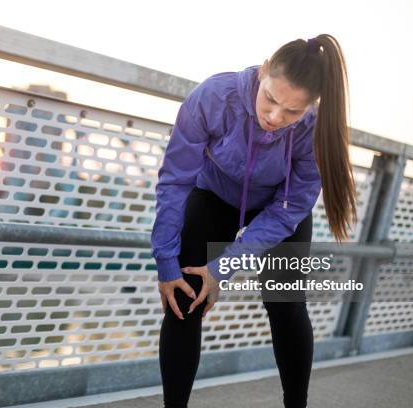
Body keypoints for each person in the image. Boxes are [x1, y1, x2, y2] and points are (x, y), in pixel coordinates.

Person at [151, 34, 358, 408]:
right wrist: (166, 262)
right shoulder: (215, 96)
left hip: (280, 210)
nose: (275, 118)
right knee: (184, 294)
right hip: (214, 193)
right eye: (271, 99)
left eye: (292, 112)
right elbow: (175, 180)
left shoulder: (315, 130)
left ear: (311, 107)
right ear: (263, 72)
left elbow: (291, 206)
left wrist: (224, 267)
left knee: (285, 302)